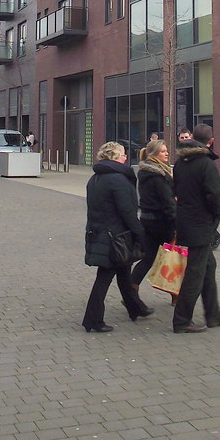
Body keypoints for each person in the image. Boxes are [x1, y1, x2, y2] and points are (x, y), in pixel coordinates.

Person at [82, 142, 154, 332]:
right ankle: (93, 319)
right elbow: (128, 212)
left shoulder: (95, 179)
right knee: (104, 277)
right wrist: (140, 234)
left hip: (100, 233)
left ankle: (135, 307)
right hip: (115, 237)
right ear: (114, 157)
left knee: (123, 271)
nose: (125, 158)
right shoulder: (118, 180)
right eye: (122, 154)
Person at [172, 131, 220, 334]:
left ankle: (213, 313)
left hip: (187, 220)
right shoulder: (206, 165)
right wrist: (218, 213)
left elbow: (176, 191)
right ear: (210, 142)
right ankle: (181, 320)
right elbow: (213, 194)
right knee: (196, 272)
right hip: (201, 222)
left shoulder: (181, 164)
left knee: (208, 266)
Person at [131, 138, 176, 290]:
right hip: (162, 222)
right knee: (175, 257)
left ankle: (132, 286)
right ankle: (175, 292)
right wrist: (176, 224)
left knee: (148, 257)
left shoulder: (145, 172)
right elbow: (167, 202)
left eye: (166, 150)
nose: (167, 154)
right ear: (154, 154)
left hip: (146, 220)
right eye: (163, 151)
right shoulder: (158, 176)